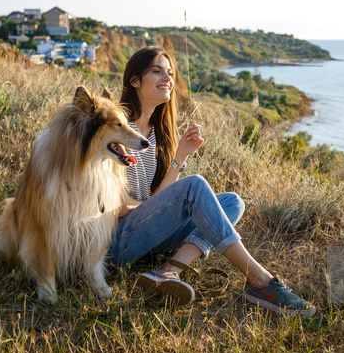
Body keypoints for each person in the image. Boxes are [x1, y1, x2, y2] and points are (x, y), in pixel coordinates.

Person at [107, 45, 315, 317]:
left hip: (146, 236)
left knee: (232, 202)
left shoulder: (157, 134)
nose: (167, 78)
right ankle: (260, 281)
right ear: (135, 80)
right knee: (194, 187)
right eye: (157, 71)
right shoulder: (117, 130)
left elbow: (157, 197)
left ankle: (168, 272)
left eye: (170, 73)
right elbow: (117, 206)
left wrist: (180, 157)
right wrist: (164, 206)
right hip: (116, 241)